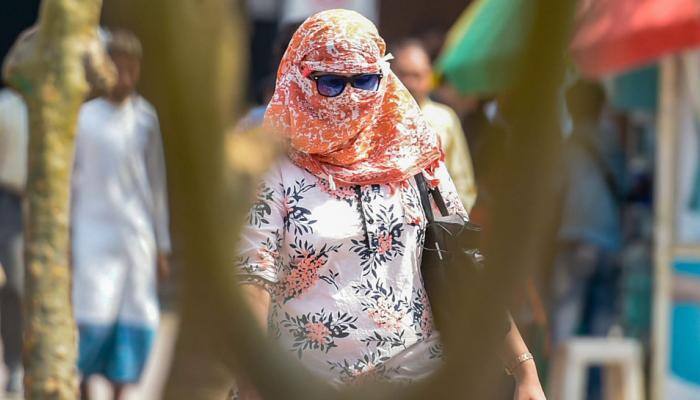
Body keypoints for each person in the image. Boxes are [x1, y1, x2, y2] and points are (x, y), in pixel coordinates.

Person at [235, 10, 545, 400]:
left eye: (364, 80)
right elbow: (252, 282)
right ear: (300, 78)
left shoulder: (413, 158)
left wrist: (523, 369)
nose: (350, 98)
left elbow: (465, 263)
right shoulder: (273, 168)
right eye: (331, 83)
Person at [71, 29, 171, 400]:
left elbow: (156, 185)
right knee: (92, 312)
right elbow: (71, 182)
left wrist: (162, 245)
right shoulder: (84, 119)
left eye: (132, 69)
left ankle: (118, 393)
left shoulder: (146, 118)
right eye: (118, 68)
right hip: (91, 233)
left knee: (133, 314)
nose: (125, 77)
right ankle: (83, 388)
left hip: (135, 235)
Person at [550, 80, 623, 400]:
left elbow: (552, 197)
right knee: (599, 333)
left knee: (565, 326)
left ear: (570, 107)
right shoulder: (613, 145)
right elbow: (627, 185)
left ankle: (562, 394)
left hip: (574, 243)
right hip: (610, 244)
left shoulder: (566, 149)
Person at [392, 38, 478, 212]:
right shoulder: (377, 117)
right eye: (403, 74)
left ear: (429, 77)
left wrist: (453, 221)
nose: (409, 83)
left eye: (416, 75)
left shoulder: (444, 119)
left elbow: (462, 180)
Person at [0, 87, 28, 396]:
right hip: (11, 200)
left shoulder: (65, 107)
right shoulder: (6, 108)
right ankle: (15, 364)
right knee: (14, 286)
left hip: (56, 203)